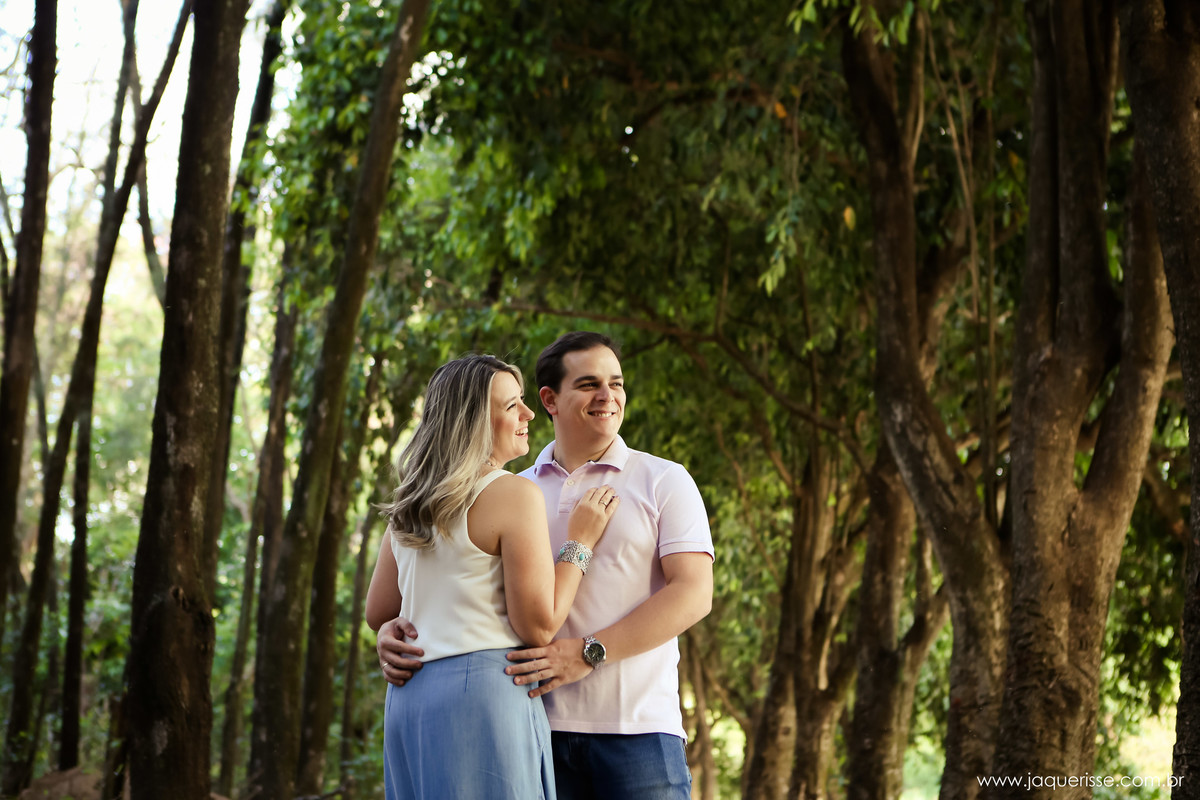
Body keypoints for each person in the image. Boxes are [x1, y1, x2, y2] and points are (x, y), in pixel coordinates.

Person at [377, 332, 715, 799]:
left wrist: (587, 652)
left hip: (637, 731)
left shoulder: (663, 479)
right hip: (535, 721)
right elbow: (443, 591)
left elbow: (693, 594)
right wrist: (393, 630)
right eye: (590, 383)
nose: (608, 396)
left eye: (616, 383)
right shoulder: (510, 488)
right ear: (550, 399)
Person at [365, 353, 620, 800]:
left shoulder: (411, 500)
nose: (527, 414)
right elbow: (538, 626)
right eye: (511, 406)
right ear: (472, 422)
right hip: (481, 697)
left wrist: (390, 632)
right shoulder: (514, 492)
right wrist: (580, 542)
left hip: (410, 699)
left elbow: (378, 611)